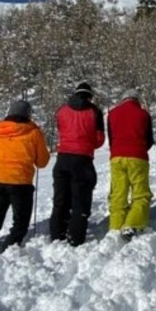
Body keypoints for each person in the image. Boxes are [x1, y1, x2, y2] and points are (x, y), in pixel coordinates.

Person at [0, 100, 49, 258]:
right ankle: (9, 250)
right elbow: (42, 162)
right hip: (20, 182)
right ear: (28, 114)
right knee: (20, 222)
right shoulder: (34, 132)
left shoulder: (0, 130)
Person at [49, 82, 105, 246]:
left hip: (62, 157)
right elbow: (100, 138)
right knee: (81, 199)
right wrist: (87, 144)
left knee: (60, 198)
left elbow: (60, 129)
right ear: (90, 96)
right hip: (83, 159)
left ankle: (56, 234)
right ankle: (76, 236)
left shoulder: (62, 110)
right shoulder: (95, 111)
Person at [107, 90, 154, 241]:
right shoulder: (144, 114)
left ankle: (115, 226)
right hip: (138, 156)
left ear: (123, 100)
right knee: (140, 193)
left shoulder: (112, 113)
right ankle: (132, 224)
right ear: (137, 100)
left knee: (118, 193)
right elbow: (149, 139)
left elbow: (111, 137)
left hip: (116, 157)